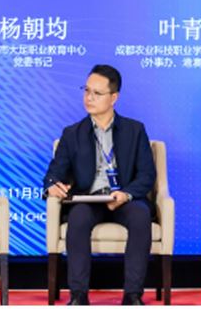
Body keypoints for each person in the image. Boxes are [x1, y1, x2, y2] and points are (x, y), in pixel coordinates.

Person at [43, 65, 156, 305]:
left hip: (124, 199)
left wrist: (126, 194)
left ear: (113, 97)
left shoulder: (135, 130)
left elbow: (147, 175)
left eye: (97, 93)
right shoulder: (72, 133)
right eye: (86, 91)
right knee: (77, 218)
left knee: (141, 216)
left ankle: (132, 295)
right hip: (90, 198)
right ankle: (78, 295)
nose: (89, 98)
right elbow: (53, 174)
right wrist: (52, 185)